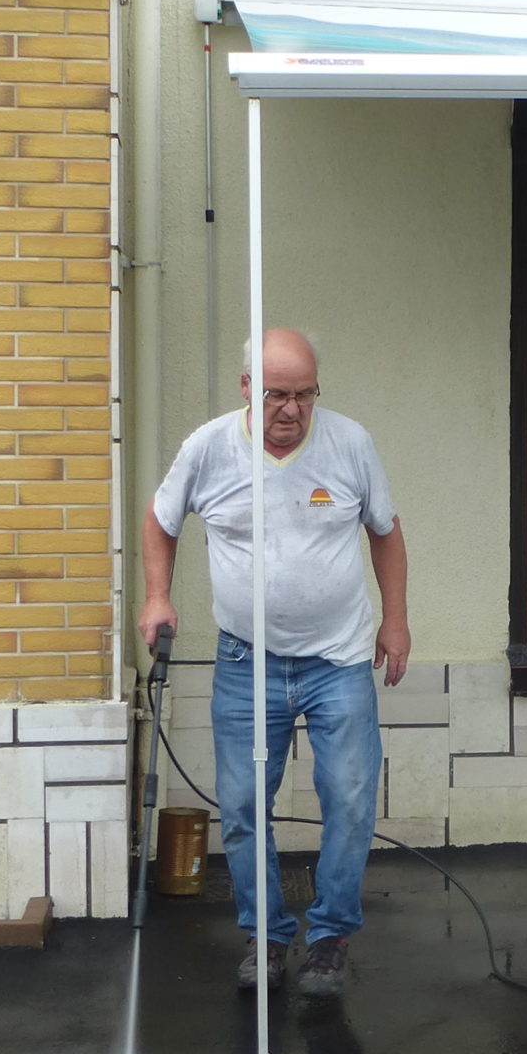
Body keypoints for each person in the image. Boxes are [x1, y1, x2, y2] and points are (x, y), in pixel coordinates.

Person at [140, 328, 410, 997]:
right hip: (245, 659)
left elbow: (385, 531)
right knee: (241, 805)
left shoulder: (350, 443)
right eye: (275, 394)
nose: (291, 409)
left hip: (339, 659)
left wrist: (395, 620)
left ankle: (330, 937)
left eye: (304, 394)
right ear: (245, 388)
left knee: (349, 798)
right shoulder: (209, 448)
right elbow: (161, 520)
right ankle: (265, 935)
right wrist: (157, 597)